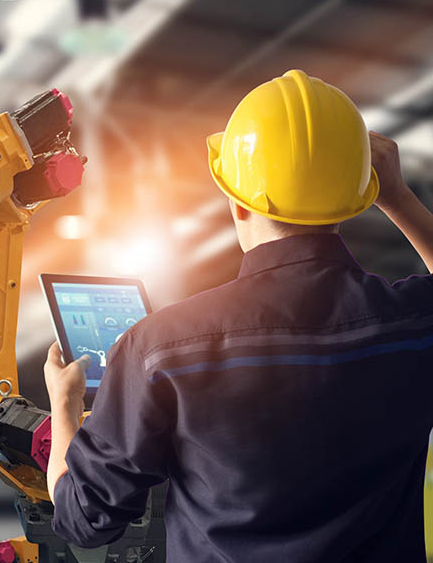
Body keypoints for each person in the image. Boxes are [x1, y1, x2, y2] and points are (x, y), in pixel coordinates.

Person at [43, 69, 433, 562]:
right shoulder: (412, 325)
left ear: (238, 203)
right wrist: (398, 197)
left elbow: (84, 519)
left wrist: (64, 404)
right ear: (358, 195)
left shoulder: (161, 347)